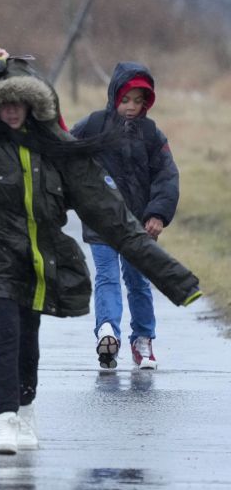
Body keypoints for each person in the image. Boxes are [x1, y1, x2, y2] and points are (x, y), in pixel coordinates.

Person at [0, 48, 201, 455]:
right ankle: (2, 419)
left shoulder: (57, 150)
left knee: (27, 334)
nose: (11, 112)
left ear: (34, 105)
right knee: (4, 328)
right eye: (3, 103)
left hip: (38, 256)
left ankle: (25, 409)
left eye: (19, 103)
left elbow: (116, 221)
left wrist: (176, 280)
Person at [71, 63, 177, 371]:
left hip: (138, 224)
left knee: (138, 280)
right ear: (114, 96)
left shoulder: (151, 134)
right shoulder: (93, 125)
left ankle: (142, 339)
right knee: (107, 276)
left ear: (147, 102)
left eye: (138, 101)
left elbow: (167, 175)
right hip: (102, 220)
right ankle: (107, 333)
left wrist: (157, 214)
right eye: (125, 99)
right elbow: (63, 148)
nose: (131, 107)